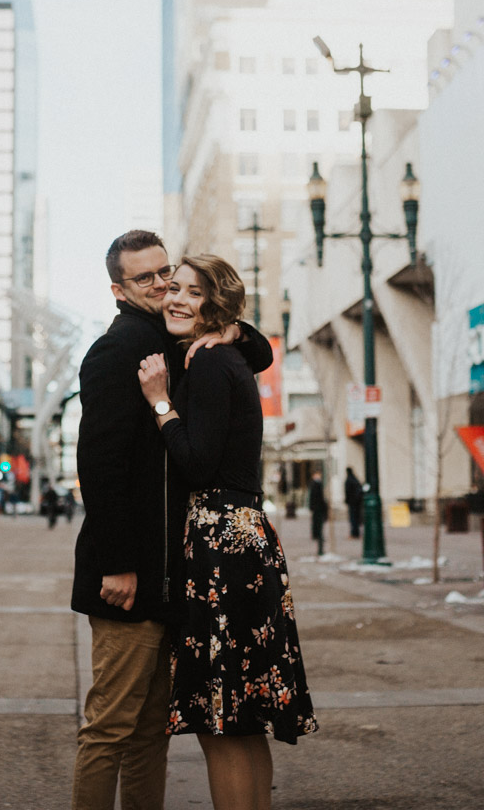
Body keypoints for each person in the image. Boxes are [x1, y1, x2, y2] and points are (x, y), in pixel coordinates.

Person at [71, 231, 275, 810]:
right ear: (119, 290)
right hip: (128, 575)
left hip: (175, 575)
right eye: (148, 279)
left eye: (168, 273)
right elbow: (100, 466)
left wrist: (231, 329)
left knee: (152, 729)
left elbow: (253, 354)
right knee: (111, 727)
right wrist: (117, 564)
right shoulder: (118, 351)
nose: (163, 286)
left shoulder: (179, 339)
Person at [138, 254, 317, 810]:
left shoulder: (213, 364)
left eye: (194, 292)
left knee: (223, 722)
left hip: (222, 544)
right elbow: (260, 349)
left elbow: (195, 462)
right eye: (174, 288)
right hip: (240, 539)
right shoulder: (226, 353)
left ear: (214, 306)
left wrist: (160, 402)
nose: (176, 298)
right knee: (239, 717)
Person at [307, 473, 328, 556]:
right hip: (318, 510)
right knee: (319, 527)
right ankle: (320, 547)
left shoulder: (314, 485)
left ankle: (319, 542)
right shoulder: (317, 485)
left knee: (318, 526)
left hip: (317, 509)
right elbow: (319, 498)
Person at [344, 467, 364, 539]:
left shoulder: (349, 480)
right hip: (357, 503)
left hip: (352, 503)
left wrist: (347, 500)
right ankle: (356, 532)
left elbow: (347, 492)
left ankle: (354, 533)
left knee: (353, 518)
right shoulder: (355, 479)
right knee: (356, 518)